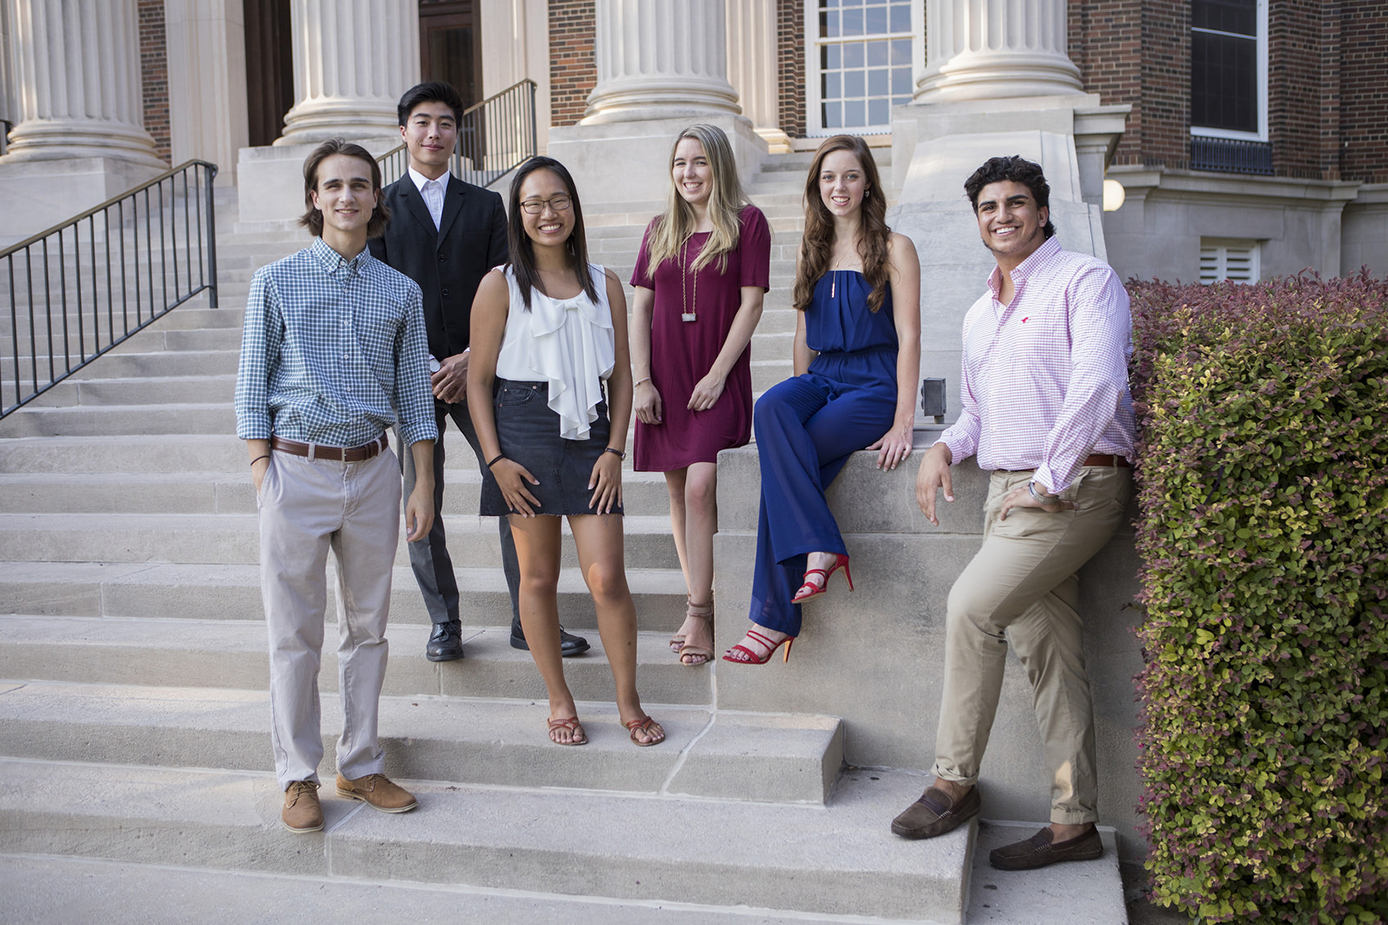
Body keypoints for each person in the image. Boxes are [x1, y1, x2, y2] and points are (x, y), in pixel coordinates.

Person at [891, 155, 1136, 872]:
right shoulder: (978, 312)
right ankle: (1073, 822)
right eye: (989, 206)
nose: (1002, 215)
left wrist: (1051, 476)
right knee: (1052, 656)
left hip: (1072, 488)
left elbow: (1098, 384)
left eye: (1016, 202)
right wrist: (943, 449)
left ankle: (952, 780)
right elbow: (978, 412)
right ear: (977, 219)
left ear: (1042, 209)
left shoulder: (1085, 280)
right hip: (1011, 492)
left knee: (970, 607)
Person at [235, 139, 436, 832]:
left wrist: (422, 481)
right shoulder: (276, 281)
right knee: (294, 633)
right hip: (295, 468)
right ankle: (297, 774)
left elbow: (416, 398)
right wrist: (265, 474)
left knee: (369, 627)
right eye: (332, 185)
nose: (346, 196)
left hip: (374, 472)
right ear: (314, 198)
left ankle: (359, 762)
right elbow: (250, 389)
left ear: (376, 197)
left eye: (359, 184)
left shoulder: (400, 291)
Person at [369, 81, 589, 662]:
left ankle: (528, 619)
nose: (434, 132)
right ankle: (444, 622)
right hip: (412, 378)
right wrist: (423, 365)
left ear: (456, 134)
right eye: (422, 122)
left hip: (481, 371)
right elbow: (379, 297)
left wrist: (469, 358)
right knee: (423, 496)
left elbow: (511, 286)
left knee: (512, 482)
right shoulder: (382, 207)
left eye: (445, 122)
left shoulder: (488, 204)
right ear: (404, 133)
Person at [467, 156, 664, 748]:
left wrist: (614, 450)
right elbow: (478, 381)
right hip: (522, 434)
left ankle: (629, 702)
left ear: (574, 208)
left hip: (591, 440)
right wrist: (494, 461)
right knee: (537, 577)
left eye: (557, 201)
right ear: (517, 215)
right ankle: (560, 700)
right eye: (533, 204)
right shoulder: (498, 284)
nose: (546, 213)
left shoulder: (606, 285)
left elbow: (625, 379)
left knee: (606, 578)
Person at [723, 135, 920, 665]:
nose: (840, 187)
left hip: (874, 383)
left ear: (868, 183)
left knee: (782, 470)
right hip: (824, 375)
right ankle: (821, 546)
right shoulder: (811, 246)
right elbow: (801, 335)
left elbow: (910, 336)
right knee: (772, 409)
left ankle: (770, 621)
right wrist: (800, 394)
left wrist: (904, 419)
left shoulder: (895, 247)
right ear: (816, 185)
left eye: (851, 176)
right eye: (829, 177)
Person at [629, 124, 771, 666]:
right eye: (680, 163)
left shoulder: (746, 223)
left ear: (719, 167)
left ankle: (699, 613)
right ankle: (701, 601)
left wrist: (716, 375)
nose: (689, 173)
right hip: (664, 375)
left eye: (700, 162)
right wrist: (642, 380)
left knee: (700, 487)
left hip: (716, 374)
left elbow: (751, 306)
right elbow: (640, 308)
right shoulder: (658, 229)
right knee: (675, 491)